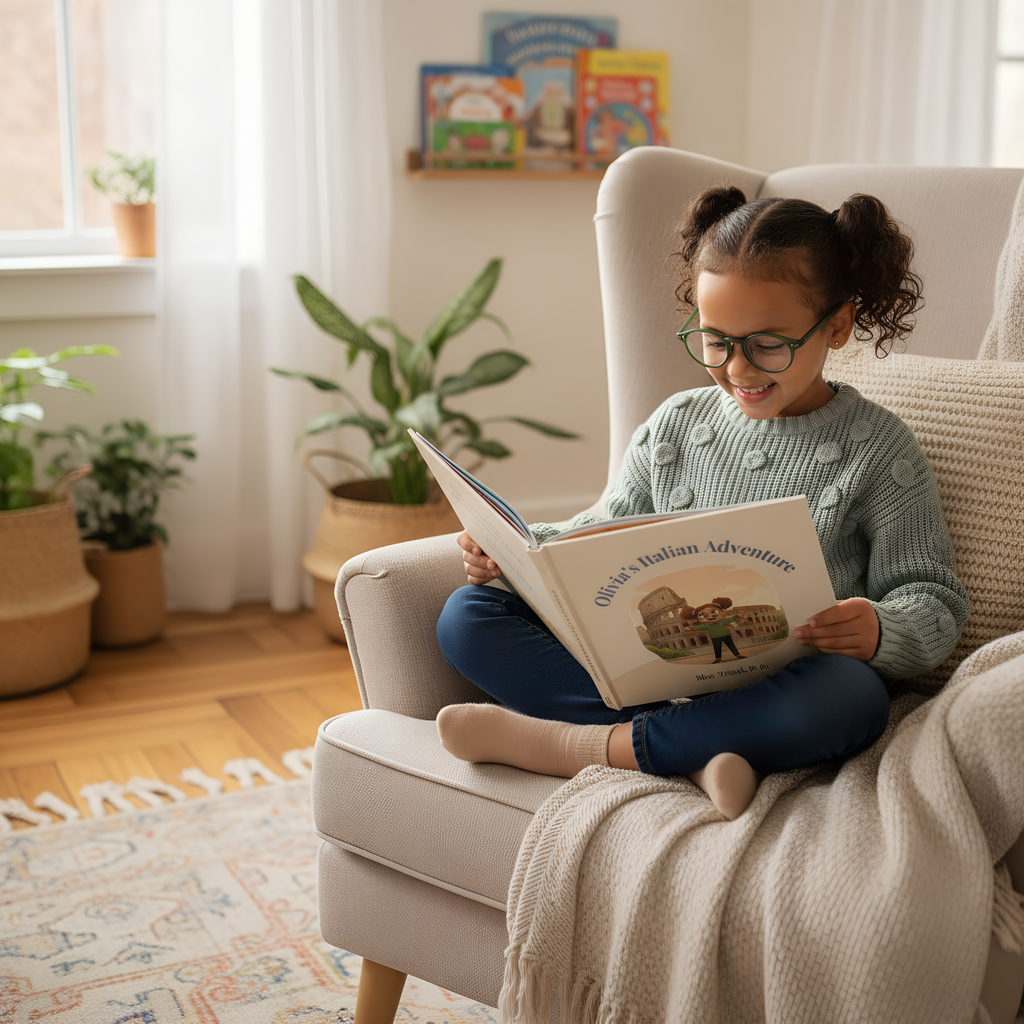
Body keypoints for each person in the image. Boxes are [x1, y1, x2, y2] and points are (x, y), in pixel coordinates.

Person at [434, 186, 970, 821]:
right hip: (654, 661)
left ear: (837, 325)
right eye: (716, 341)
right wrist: (521, 551)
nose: (738, 368)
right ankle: (694, 750)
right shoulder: (676, 424)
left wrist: (879, 628)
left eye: (768, 344)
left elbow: (933, 602)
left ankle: (575, 746)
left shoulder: (881, 450)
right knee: (467, 616)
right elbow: (604, 528)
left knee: (854, 698)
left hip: (784, 680)